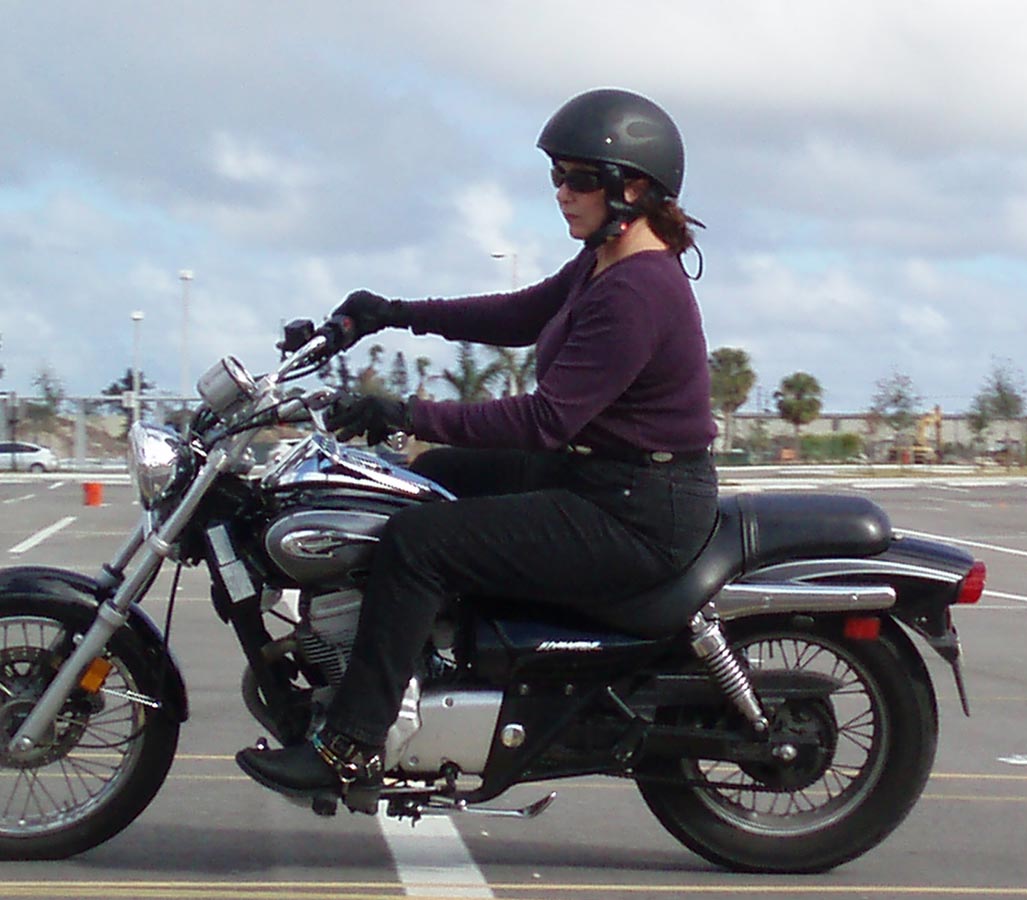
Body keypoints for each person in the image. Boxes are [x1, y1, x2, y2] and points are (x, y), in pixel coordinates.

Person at [237, 88, 719, 810]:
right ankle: (432, 667)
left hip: (637, 511)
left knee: (418, 543)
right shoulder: (604, 263)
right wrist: (392, 314)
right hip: (600, 479)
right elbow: (520, 314)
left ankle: (350, 743)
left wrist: (403, 412)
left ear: (633, 188)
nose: (562, 192)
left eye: (579, 178)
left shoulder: (638, 290)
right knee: (429, 478)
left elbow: (545, 419)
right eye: (556, 175)